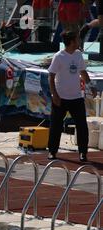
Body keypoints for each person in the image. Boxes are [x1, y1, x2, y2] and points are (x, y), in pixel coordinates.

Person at [47, 30, 97, 162]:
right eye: (78, 39)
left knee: (82, 126)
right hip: (61, 97)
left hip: (76, 97)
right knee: (56, 126)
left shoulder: (78, 54)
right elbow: (51, 76)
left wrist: (91, 86)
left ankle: (83, 153)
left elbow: (83, 72)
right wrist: (54, 94)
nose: (79, 41)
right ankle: (52, 151)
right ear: (72, 42)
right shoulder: (59, 56)